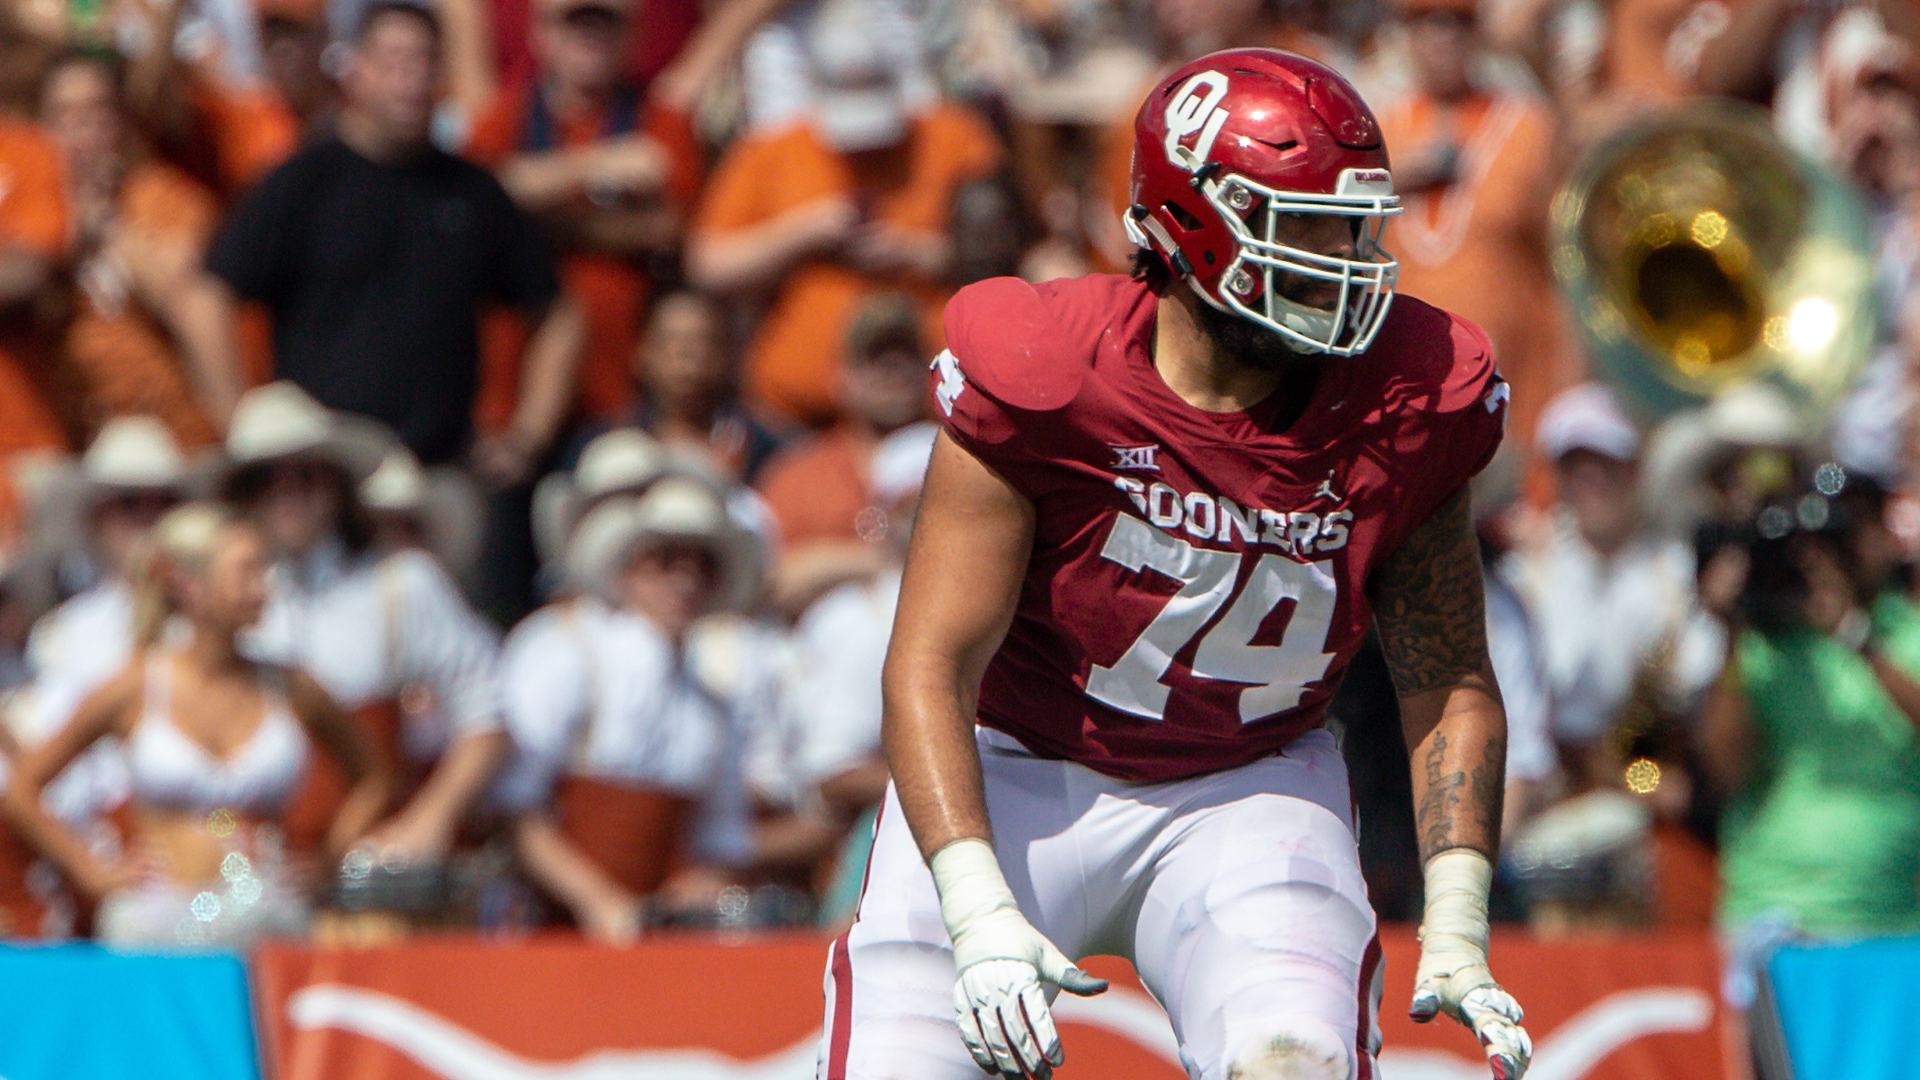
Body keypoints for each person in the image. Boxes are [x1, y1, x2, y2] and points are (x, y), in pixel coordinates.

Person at [822, 49, 1530, 1080]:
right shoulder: (1049, 375)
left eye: (1355, 223)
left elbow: (1448, 676)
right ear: (1195, 225)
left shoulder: (1411, 400)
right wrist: (974, 911)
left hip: (1248, 787)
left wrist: (1459, 919)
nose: (1350, 260)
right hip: (1011, 765)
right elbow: (931, 665)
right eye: (1309, 227)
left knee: (1295, 1061)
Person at [198, 0, 585, 485]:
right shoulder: (302, 182)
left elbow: (558, 314)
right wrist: (244, 429)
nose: (409, 78)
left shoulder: (473, 192)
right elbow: (207, 297)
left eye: (423, 61)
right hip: (325, 476)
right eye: (392, 61)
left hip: (437, 474)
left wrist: (527, 437)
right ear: (355, 69)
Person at [1, 502, 392, 946]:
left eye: (263, 571)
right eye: (245, 572)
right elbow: (22, 791)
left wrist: (330, 859)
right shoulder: (134, 688)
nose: (263, 588)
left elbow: (375, 776)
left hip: (268, 912)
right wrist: (90, 869)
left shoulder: (292, 686)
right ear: (190, 586)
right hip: (157, 915)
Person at [220, 383, 508, 861]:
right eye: (266, 480)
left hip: (372, 865)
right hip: (261, 874)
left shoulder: (400, 583)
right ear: (244, 497)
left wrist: (432, 817)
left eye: (306, 477)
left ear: (336, 486)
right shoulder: (226, 603)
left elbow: (486, 705)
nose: (288, 494)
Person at [687, 1, 1001, 424]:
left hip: (938, 413)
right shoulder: (773, 151)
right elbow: (707, 265)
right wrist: (804, 235)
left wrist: (920, 254)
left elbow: (1010, 252)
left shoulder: (951, 137)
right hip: (794, 418)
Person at [495, 478, 754, 940]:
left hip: (651, 935)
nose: (684, 579)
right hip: (544, 922)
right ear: (626, 571)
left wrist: (693, 889)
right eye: (665, 561)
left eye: (702, 566)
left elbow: (720, 842)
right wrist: (597, 900)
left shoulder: (714, 706)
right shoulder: (565, 651)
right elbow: (516, 812)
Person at [465, 0, 700, 427]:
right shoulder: (504, 115)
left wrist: (532, 218)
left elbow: (666, 228)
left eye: (605, 26)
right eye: (575, 25)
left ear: (633, 36)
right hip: (505, 395)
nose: (589, 40)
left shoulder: (661, 120)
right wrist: (597, 166)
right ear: (540, 33)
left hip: (618, 396)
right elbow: (477, 196)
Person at [1375, 0, 1576, 488]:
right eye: (1427, 22)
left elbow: (1567, 274)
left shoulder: (1527, 127)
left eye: (1459, 22)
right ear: (1404, 33)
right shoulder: (1379, 129)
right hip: (1403, 416)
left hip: (1511, 408)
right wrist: (1392, 182)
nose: (1444, 36)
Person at [40, 50, 237, 448]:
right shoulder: (30, 214)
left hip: (175, 437)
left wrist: (108, 225)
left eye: (97, 111)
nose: (83, 129)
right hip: (75, 440)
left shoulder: (166, 197)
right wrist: (71, 229)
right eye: (65, 115)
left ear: (121, 121)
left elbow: (186, 297)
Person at [754, 294, 930, 615]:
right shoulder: (798, 475)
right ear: (841, 378)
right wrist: (878, 564)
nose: (893, 369)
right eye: (876, 357)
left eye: (905, 354)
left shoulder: (962, 463)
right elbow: (769, 587)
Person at [618, 291, 785, 485]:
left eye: (703, 341)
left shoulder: (763, 449)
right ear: (642, 353)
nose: (688, 356)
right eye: (671, 341)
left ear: (728, 354)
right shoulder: (612, 443)